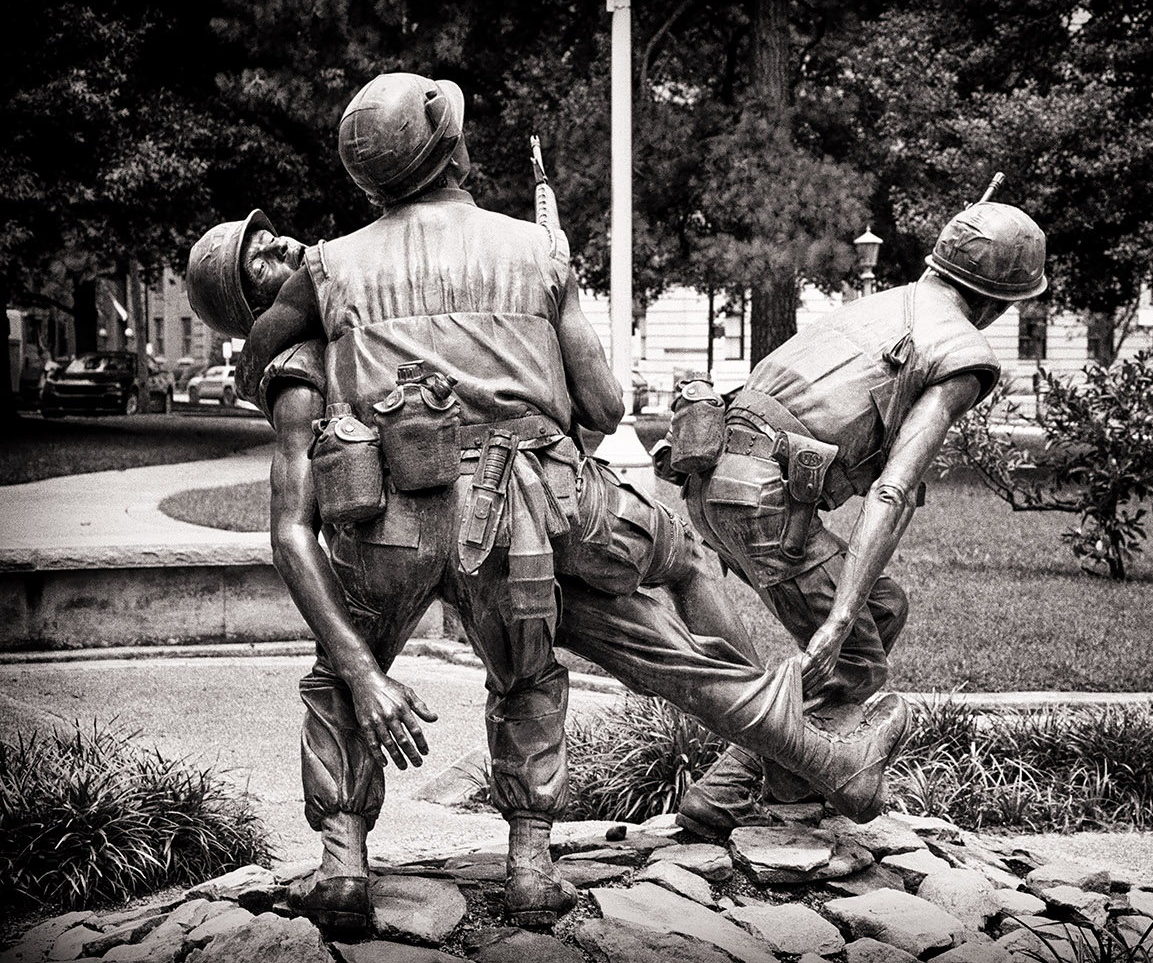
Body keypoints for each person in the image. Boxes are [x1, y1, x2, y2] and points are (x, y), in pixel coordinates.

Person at [193, 72, 910, 933]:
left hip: (388, 517)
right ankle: (535, 865)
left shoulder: (328, 268)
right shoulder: (535, 252)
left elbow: (266, 349)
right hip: (534, 507)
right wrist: (553, 303)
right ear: (453, 151)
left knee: (346, 673)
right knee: (570, 646)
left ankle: (343, 869)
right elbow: (605, 410)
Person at [670, 200, 1048, 834]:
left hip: (714, 480)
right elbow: (894, 489)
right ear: (1000, 302)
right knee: (856, 653)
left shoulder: (880, 305)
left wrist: (853, 608)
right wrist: (839, 615)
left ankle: (772, 777)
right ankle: (748, 791)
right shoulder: (962, 350)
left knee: (883, 606)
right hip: (765, 501)